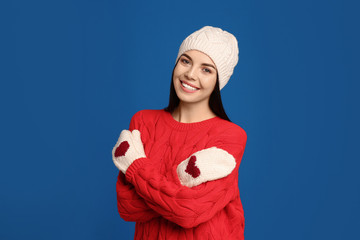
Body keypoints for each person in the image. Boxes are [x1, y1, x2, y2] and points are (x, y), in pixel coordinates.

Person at [112, 26, 247, 240]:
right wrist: (180, 186)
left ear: (219, 81)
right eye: (185, 61)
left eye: (207, 69)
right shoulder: (143, 122)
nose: (190, 74)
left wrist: (135, 165)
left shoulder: (231, 136)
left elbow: (188, 212)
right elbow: (127, 207)